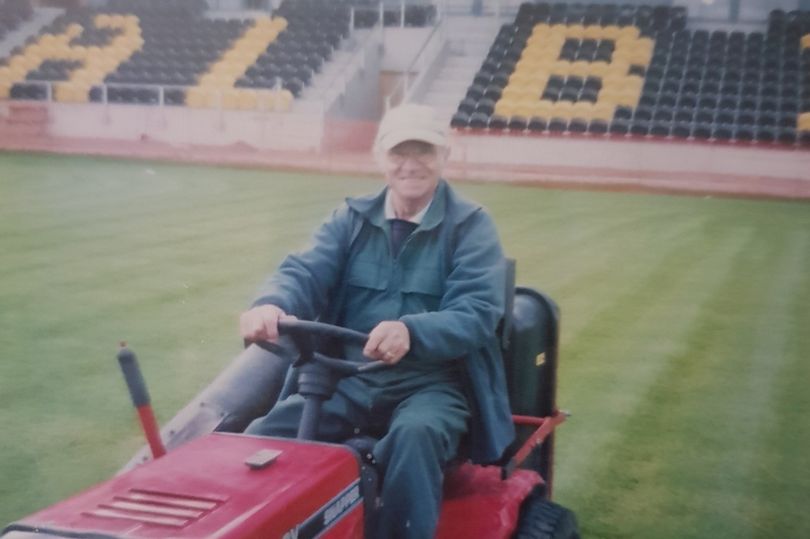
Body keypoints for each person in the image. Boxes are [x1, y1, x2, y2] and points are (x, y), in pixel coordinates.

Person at [240, 103, 515, 539]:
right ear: (379, 157)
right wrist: (270, 304)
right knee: (263, 438)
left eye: (423, 151)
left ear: (445, 155)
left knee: (416, 435)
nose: (410, 164)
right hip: (348, 381)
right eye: (398, 152)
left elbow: (478, 313)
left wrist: (412, 331)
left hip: (432, 385)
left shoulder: (470, 226)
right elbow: (304, 272)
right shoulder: (350, 218)